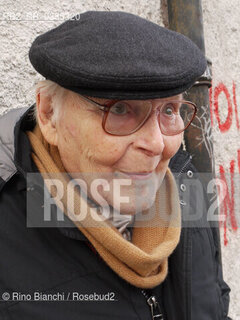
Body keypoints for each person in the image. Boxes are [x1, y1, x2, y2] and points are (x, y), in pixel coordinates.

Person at [0, 11, 231, 319]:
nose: (158, 145)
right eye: (121, 109)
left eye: (170, 110)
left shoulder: (186, 185)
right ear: (49, 114)